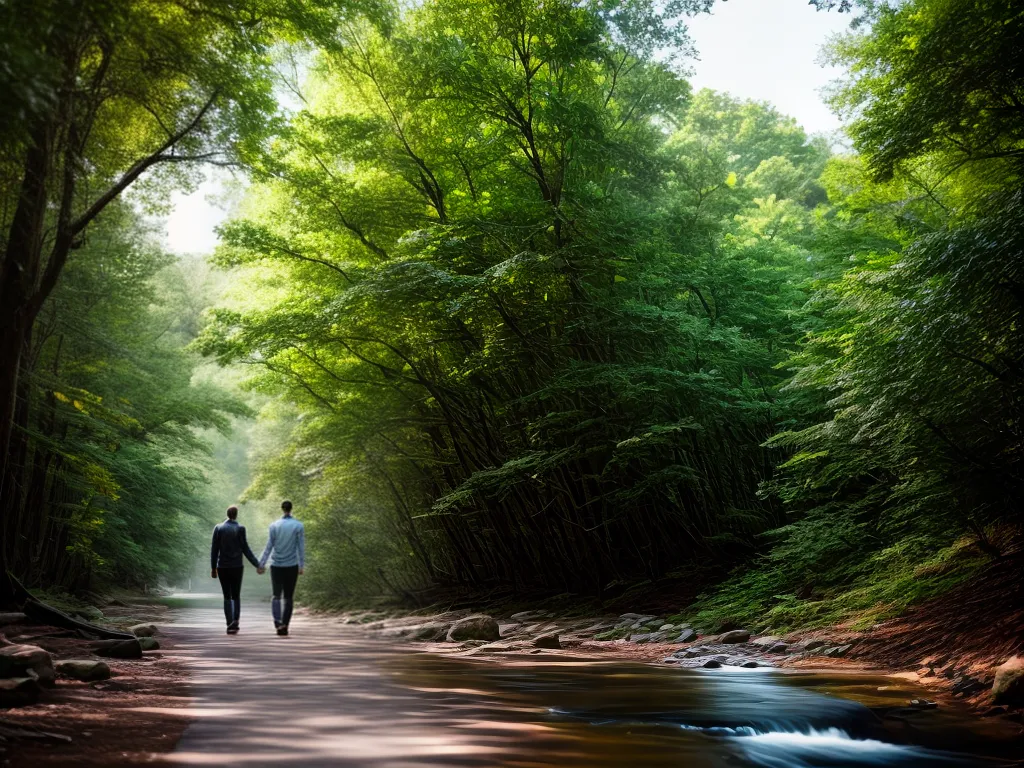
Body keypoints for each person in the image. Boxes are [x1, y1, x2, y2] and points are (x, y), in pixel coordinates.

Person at [210, 506, 261, 635]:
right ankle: (235, 621)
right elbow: (246, 549)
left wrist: (213, 567)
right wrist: (257, 564)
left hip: (222, 566)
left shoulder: (218, 528)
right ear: (236, 515)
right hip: (237, 566)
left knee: (227, 596)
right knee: (236, 595)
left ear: (227, 514)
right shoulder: (240, 529)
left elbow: (214, 550)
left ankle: (229, 623)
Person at [257, 499, 305, 636]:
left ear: (282, 509)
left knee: (276, 595)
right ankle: (285, 624)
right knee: (288, 597)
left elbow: (268, 547)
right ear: (291, 509)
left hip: (276, 565)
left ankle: (277, 622)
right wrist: (301, 565)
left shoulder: (274, 526)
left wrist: (261, 564)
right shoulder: (298, 526)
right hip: (292, 565)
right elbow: (300, 548)